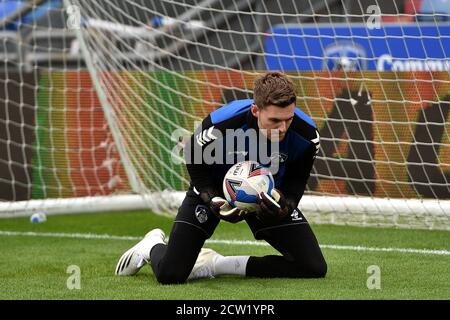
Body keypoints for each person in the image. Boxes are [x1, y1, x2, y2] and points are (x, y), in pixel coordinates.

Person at [115, 71, 327, 283]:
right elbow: (193, 158)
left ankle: (215, 263)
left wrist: (283, 207)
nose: (282, 128)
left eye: (288, 119)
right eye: (274, 120)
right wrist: (211, 197)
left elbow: (296, 181)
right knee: (170, 275)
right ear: (255, 110)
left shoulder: (307, 135)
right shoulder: (222, 123)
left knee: (313, 267)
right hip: (214, 188)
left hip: (266, 197)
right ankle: (151, 245)